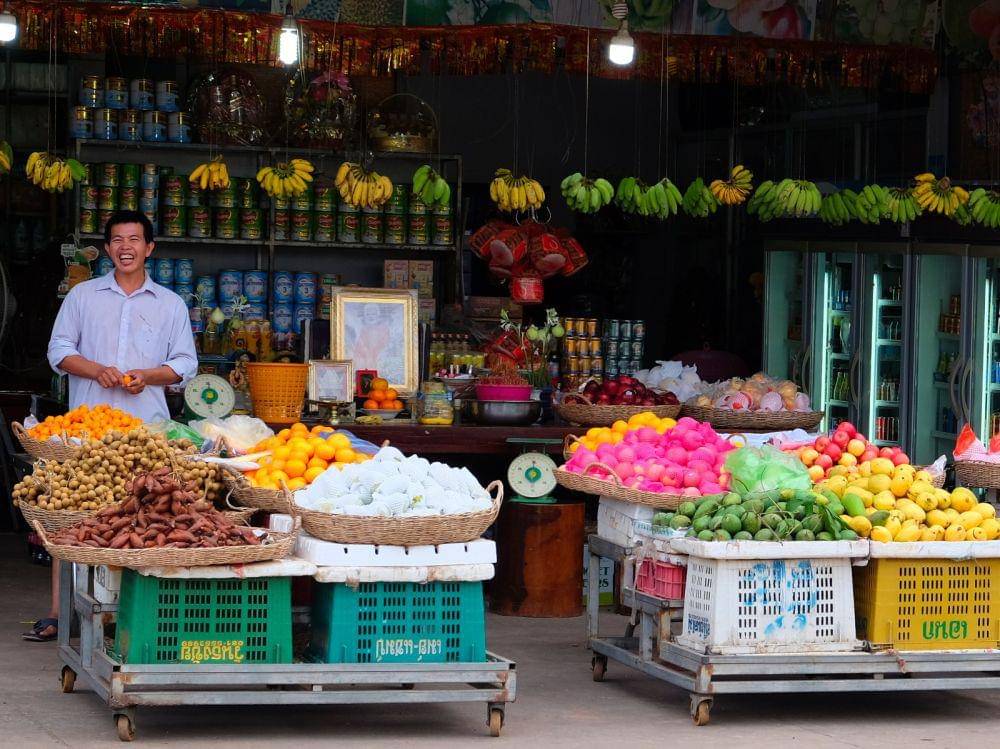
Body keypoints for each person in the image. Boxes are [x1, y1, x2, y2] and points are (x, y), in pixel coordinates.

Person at [23, 210, 197, 642]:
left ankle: (130, 616)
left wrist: (148, 376)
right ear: (107, 249)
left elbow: (185, 365)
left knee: (144, 520)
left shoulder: (170, 304)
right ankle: (60, 613)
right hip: (86, 430)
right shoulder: (83, 297)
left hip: (147, 433)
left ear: (149, 248)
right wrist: (97, 370)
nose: (125, 248)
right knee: (71, 517)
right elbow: (59, 351)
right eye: (117, 240)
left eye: (134, 240)